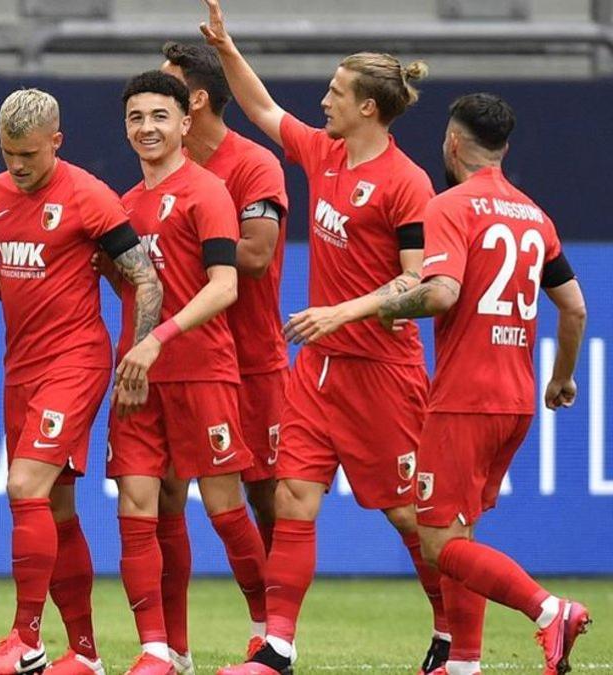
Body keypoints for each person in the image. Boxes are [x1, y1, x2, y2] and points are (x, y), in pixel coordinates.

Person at [198, 2, 449, 674]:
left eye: (336, 92)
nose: (324, 101)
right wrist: (226, 48)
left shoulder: (407, 183)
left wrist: (341, 312)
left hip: (382, 374)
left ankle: (451, 629)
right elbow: (262, 109)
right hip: (318, 370)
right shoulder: (323, 152)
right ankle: (277, 645)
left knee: (407, 516)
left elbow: (418, 284)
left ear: (369, 107)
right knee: (292, 496)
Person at [0, 87, 163, 675]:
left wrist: (141, 348)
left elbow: (145, 279)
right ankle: (87, 655)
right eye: (7, 154)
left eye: (29, 155)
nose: (17, 167)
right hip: (20, 367)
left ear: (56, 142)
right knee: (56, 508)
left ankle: (26, 639)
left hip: (76, 360)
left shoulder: (90, 198)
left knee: (24, 486)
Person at [376, 93, 590, 675]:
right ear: (503, 148)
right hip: (515, 399)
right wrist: (561, 378)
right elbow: (573, 309)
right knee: (462, 536)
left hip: (463, 399)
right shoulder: (534, 216)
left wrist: (388, 307)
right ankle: (464, 663)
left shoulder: (450, 206)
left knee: (439, 545)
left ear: (451, 142)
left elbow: (441, 292)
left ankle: (549, 611)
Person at [107, 70, 266, 675]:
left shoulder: (207, 192)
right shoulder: (122, 205)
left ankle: (266, 633)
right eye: (135, 118)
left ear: (183, 122)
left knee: (225, 507)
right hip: (138, 379)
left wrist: (158, 340)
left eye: (158, 116)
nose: (147, 128)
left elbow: (224, 286)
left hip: (201, 372)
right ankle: (160, 650)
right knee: (140, 504)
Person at [157, 41, 291, 671]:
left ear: (198, 99)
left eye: (167, 89)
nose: (152, 108)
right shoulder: (163, 169)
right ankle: (171, 647)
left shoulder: (254, 165)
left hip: (252, 359)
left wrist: (187, 237)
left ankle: (274, 633)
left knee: (264, 499)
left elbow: (258, 256)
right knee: (163, 496)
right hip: (181, 357)